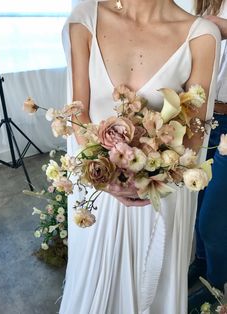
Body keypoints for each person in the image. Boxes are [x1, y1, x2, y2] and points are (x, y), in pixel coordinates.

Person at [60, 0, 220, 313]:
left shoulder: (202, 35)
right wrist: (107, 181)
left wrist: (145, 178)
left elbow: (194, 139)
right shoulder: (85, 19)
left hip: (158, 200)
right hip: (99, 196)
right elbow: (76, 117)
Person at [188, 0, 227, 312]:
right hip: (203, 118)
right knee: (197, 200)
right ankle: (201, 265)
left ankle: (217, 287)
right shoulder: (205, 2)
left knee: (213, 218)